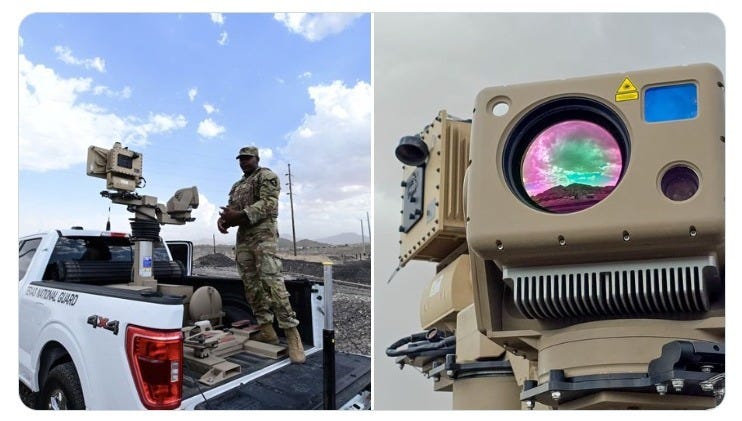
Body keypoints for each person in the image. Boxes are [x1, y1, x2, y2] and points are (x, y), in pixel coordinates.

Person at [218, 146, 305, 364]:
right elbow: (232, 209)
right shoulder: (237, 186)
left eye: (247, 158)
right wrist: (224, 220)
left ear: (257, 158)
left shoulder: (267, 176)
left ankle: (293, 335)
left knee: (272, 282)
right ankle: (267, 330)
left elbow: (269, 204)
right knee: (251, 284)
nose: (243, 162)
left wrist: (240, 215)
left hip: (263, 236)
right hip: (244, 239)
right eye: (240, 159)